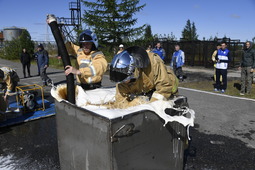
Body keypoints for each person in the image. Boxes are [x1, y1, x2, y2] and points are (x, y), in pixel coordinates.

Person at [109, 46, 179, 109]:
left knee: (167, 107)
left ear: (133, 71)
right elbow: (121, 99)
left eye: (124, 80)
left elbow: (164, 87)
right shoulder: (122, 79)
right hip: (146, 88)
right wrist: (128, 107)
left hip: (168, 85)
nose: (123, 83)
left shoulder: (153, 62)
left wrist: (149, 106)